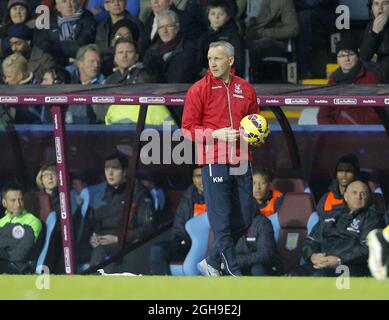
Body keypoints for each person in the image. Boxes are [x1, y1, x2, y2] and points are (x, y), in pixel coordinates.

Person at [182, 40, 260, 276]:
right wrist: (215, 133)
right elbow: (187, 129)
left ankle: (213, 261)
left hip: (242, 158)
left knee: (246, 215)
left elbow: (254, 121)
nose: (212, 63)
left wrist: (257, 135)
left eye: (217, 58)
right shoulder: (198, 89)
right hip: (214, 159)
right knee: (221, 220)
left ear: (230, 61)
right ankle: (234, 272)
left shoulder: (245, 88)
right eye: (209, 59)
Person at [290, 180, 386, 277]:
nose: (358, 196)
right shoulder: (331, 214)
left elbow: (367, 248)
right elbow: (312, 240)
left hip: (352, 265)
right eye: (354, 193)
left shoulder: (373, 218)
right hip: (323, 262)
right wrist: (312, 256)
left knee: (320, 276)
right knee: (295, 274)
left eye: (363, 194)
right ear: (346, 196)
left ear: (368, 197)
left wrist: (339, 260)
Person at [88, 152, 155, 272]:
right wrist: (93, 237)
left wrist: (119, 239)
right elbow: (94, 223)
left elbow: (147, 227)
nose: (110, 173)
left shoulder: (138, 193)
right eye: (107, 168)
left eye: (115, 168)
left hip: (129, 244)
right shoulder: (101, 194)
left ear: (124, 172)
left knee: (101, 252)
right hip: (103, 242)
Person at [149, 167, 206, 275]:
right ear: (193, 179)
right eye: (198, 176)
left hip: (209, 247)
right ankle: (160, 288)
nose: (202, 180)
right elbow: (178, 227)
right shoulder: (187, 198)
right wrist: (184, 241)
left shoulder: (218, 197)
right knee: (157, 249)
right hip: (187, 244)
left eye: (205, 176)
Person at [317, 38, 381, 124]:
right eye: (342, 56)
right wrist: (333, 132)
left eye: (351, 54)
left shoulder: (370, 78)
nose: (347, 59)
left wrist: (362, 132)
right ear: (337, 59)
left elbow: (376, 113)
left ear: (357, 57)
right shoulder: (333, 80)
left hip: (364, 132)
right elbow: (324, 113)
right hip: (338, 133)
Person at [234, 168, 282, 275]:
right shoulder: (238, 217)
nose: (258, 187)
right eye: (254, 183)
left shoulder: (278, 203)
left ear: (269, 185)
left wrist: (236, 260)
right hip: (248, 256)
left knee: (257, 269)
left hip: (267, 252)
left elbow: (265, 253)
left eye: (262, 183)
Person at [245, 0, 298, 81]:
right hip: (243, 37)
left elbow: (293, 29)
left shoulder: (282, 2)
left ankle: (248, 81)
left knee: (252, 47)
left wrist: (263, 33)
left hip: (272, 41)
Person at [33, 0, 97, 67]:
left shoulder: (88, 19)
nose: (69, 5)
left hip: (80, 65)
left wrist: (54, 45)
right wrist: (66, 60)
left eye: (73, 1)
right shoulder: (49, 23)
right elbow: (43, 50)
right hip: (54, 64)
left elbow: (80, 47)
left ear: (78, 4)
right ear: (57, 7)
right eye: (64, 1)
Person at [142, 9, 198, 83]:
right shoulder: (151, 52)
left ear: (177, 28)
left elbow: (178, 78)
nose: (165, 31)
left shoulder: (188, 49)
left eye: (168, 26)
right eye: (161, 27)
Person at [0, 182, 42, 274]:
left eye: (20, 200)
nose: (18, 205)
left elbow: (21, 253)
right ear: (4, 202)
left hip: (23, 268)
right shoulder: (1, 222)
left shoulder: (32, 221)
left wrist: (3, 249)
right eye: (13, 200)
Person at [94, 0, 145, 75]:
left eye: (120, 0)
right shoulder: (101, 26)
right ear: (106, 5)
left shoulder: (136, 24)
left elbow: (140, 50)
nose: (116, 4)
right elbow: (97, 49)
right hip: (103, 68)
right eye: (112, 1)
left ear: (125, 2)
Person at [197, 0, 244, 77]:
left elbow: (238, 60)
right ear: (208, 16)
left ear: (228, 17)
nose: (216, 17)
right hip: (207, 75)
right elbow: (200, 60)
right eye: (213, 14)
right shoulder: (204, 37)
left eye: (221, 14)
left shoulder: (233, 35)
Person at [294, 0, 338, 79]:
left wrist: (309, 4)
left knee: (304, 18)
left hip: (324, 12)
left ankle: (303, 68)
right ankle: (297, 68)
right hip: (301, 12)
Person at [316, 153, 359, 219]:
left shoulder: (360, 198)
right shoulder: (326, 197)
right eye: (340, 170)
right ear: (336, 174)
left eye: (348, 171)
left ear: (355, 174)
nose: (344, 175)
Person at [360, 0, 389, 83]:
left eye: (385, 3)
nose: (380, 7)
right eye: (376, 4)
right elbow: (364, 56)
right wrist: (374, 32)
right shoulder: (371, 26)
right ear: (372, 8)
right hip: (383, 77)